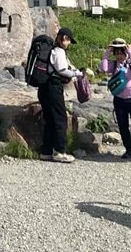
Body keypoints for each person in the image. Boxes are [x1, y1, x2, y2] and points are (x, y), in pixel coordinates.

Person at [100, 38, 131, 161]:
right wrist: (106, 54)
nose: (118, 55)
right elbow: (104, 69)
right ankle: (129, 150)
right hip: (119, 99)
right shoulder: (114, 65)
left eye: (120, 52)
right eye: (116, 53)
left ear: (125, 51)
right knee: (123, 126)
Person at [38, 27, 82, 163]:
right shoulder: (59, 51)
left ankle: (46, 151)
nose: (68, 43)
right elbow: (62, 70)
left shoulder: (51, 50)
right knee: (60, 118)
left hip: (44, 87)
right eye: (68, 40)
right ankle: (59, 151)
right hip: (53, 87)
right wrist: (77, 74)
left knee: (50, 119)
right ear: (63, 38)